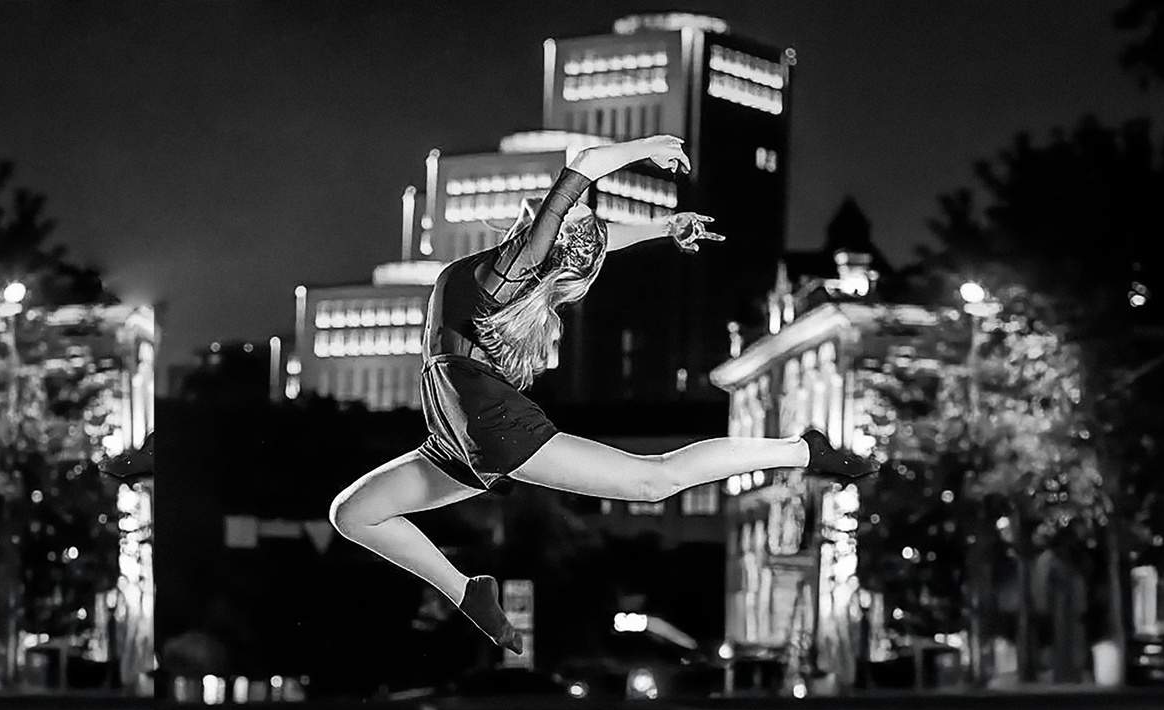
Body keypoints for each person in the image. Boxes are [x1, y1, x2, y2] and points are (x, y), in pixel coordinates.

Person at [328, 135, 880, 653]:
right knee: (352, 514)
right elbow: (599, 239)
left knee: (653, 479)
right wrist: (664, 226)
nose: (554, 214)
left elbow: (585, 162)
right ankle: (470, 593)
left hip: (487, 422)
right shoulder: (520, 264)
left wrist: (649, 149)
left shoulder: (510, 269)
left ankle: (802, 451)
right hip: (455, 430)